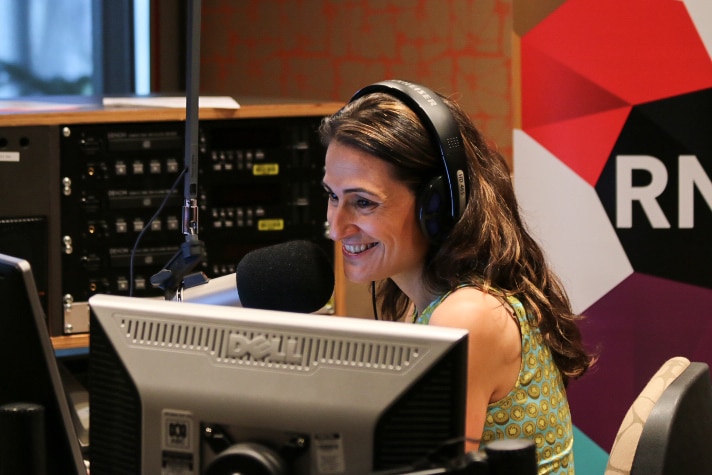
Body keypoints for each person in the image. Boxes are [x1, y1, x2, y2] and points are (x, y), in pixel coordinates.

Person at [319, 79, 595, 474]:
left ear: (437, 205)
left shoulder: (467, 317)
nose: (336, 225)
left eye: (363, 202)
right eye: (332, 196)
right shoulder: (445, 303)